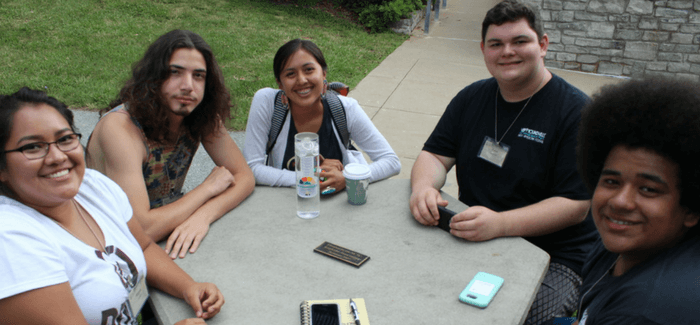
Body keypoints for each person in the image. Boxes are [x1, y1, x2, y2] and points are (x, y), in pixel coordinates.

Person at [409, 1, 597, 323]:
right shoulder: (472, 97)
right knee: (420, 293)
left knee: (523, 316)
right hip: (475, 234)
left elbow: (575, 204)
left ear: (543, 45)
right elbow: (434, 154)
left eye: (520, 41)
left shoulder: (576, 112)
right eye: (496, 44)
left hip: (554, 255)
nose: (507, 51)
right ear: (484, 50)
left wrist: (501, 224)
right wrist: (423, 187)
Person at [0, 87, 224, 325]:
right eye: (32, 147)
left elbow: (143, 246)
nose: (57, 157)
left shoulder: (93, 187)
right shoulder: (11, 238)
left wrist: (188, 286)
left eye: (65, 139)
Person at [86, 29, 254, 259]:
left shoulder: (200, 116)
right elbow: (141, 229)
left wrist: (202, 216)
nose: (188, 85)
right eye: (175, 72)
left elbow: (244, 176)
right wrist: (206, 190)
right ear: (153, 77)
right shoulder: (121, 128)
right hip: (106, 246)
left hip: (168, 232)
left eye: (198, 76)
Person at [573, 78, 700, 325]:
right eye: (611, 182)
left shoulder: (645, 311)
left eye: (648, 189)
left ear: (692, 209)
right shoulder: (617, 242)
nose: (621, 201)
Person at [243, 38, 400, 192]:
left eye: (309, 70)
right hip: (286, 205)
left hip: (340, 204)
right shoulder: (267, 103)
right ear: (280, 83)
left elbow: (391, 162)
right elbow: (251, 168)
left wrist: (347, 178)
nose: (302, 80)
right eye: (290, 74)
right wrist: (310, 178)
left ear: (323, 73)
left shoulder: (345, 108)